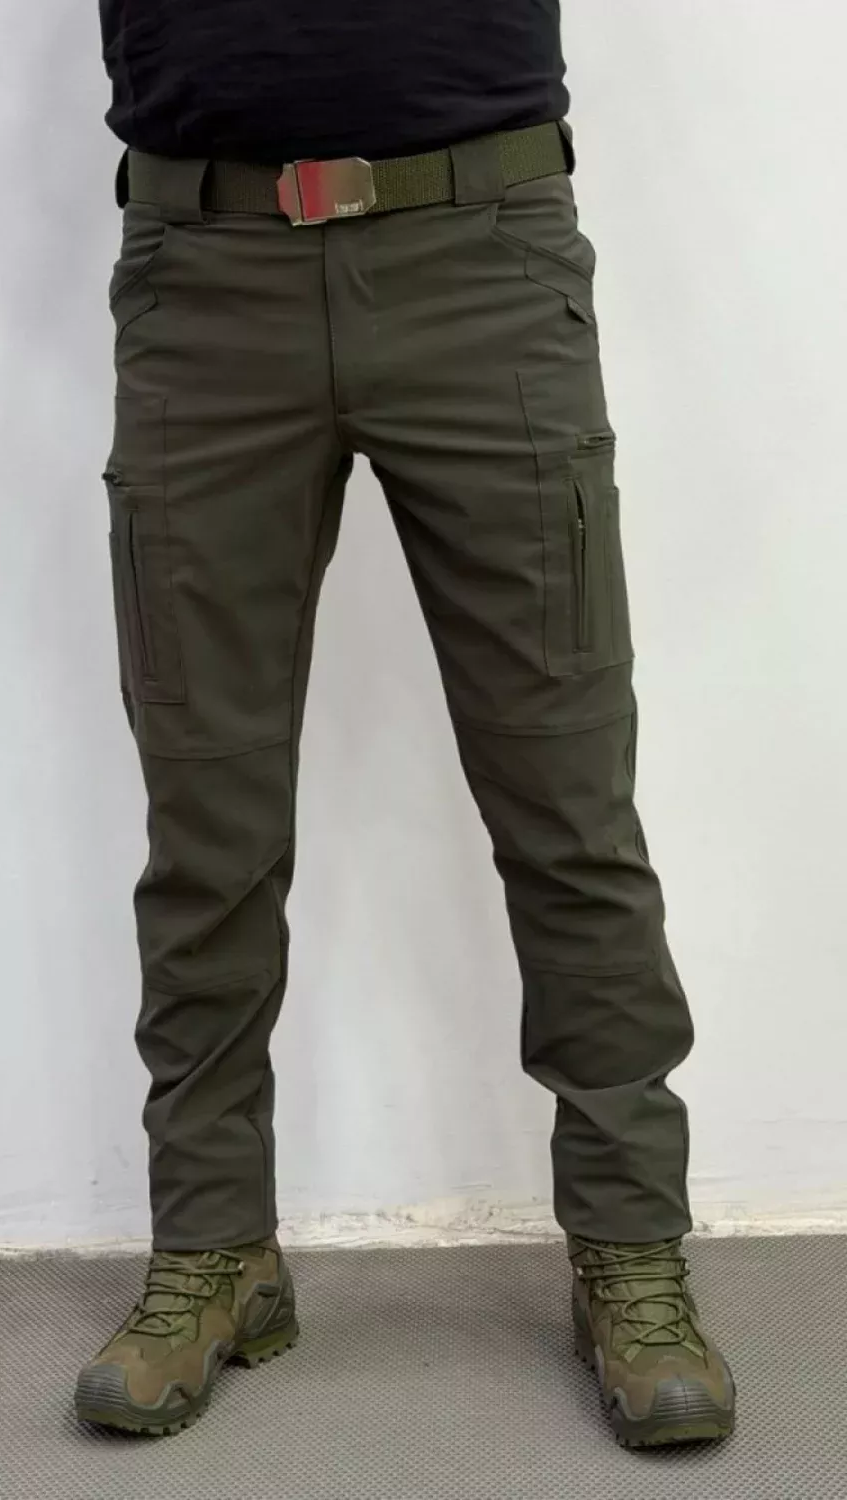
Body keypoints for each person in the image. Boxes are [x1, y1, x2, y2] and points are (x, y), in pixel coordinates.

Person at [75, 0, 736, 1449]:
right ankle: (214, 1251)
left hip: (481, 249)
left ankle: (632, 1256)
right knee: (207, 821)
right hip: (204, 271)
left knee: (567, 806)